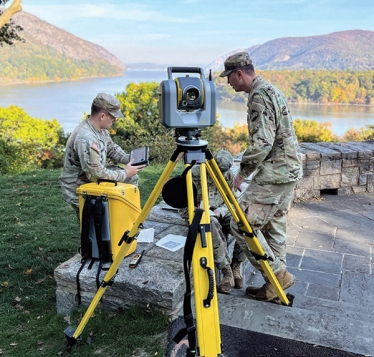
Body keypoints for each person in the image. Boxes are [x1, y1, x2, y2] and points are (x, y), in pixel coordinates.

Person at [219, 52, 303, 302]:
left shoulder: (258, 95)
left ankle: (277, 274)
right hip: (288, 171)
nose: (228, 83)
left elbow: (263, 142)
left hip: (274, 174)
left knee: (240, 224)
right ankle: (273, 288)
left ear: (239, 74)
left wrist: (242, 172)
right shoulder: (271, 90)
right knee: (273, 226)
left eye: (229, 78)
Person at [60, 92, 146, 213]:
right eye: (112, 116)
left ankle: (125, 218)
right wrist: (125, 173)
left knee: (131, 178)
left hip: (89, 180)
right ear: (102, 116)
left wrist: (130, 158)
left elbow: (111, 148)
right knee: (98, 227)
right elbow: (95, 175)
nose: (115, 119)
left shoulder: (99, 129)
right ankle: (115, 222)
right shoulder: (86, 138)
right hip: (80, 187)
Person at [179, 150, 246, 294]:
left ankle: (236, 265)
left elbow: (233, 201)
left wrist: (221, 211)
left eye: (222, 172)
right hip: (201, 215)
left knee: (243, 222)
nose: (220, 174)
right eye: (218, 171)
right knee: (210, 223)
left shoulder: (228, 175)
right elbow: (182, 206)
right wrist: (196, 211)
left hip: (220, 212)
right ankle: (226, 271)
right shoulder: (194, 174)